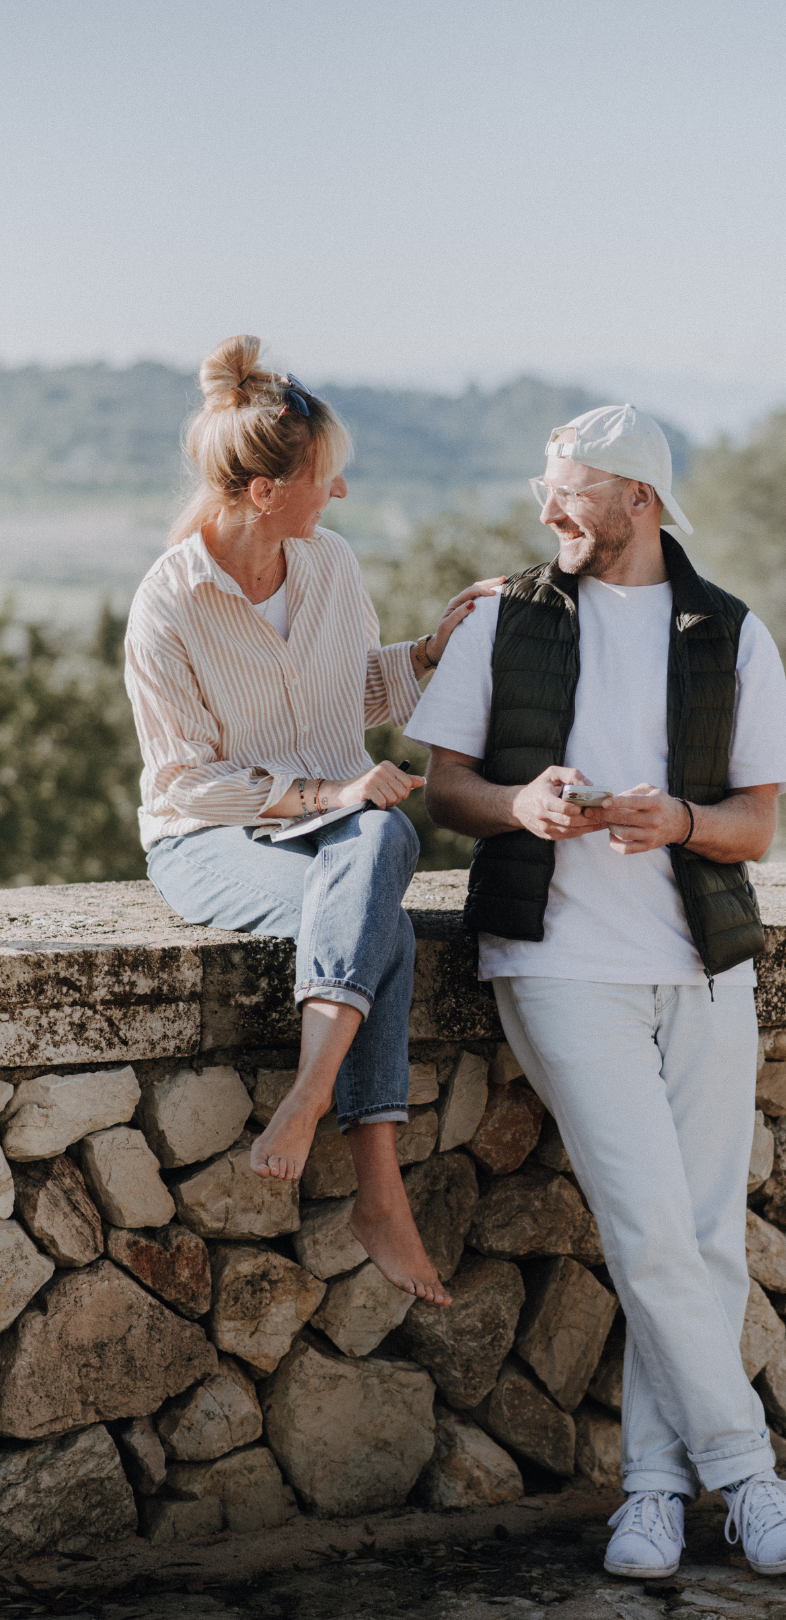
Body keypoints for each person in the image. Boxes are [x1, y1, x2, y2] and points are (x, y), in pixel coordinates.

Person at [405, 405, 786, 1576]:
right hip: (559, 962)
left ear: (637, 497)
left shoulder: (730, 633)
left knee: (697, 1244)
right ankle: (749, 1475)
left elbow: (755, 828)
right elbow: (448, 790)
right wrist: (521, 804)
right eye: (546, 492)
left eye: (568, 493)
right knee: (650, 1229)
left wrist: (681, 819)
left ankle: (649, 1491)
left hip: (700, 968)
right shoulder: (504, 620)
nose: (547, 513)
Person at [125, 334, 498, 1308]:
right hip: (213, 843)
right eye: (325, 479)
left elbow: (354, 693)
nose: (337, 497)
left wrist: (428, 652)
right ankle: (379, 1190)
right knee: (384, 906)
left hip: (337, 835)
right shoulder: (169, 605)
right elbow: (190, 785)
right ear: (262, 493)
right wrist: (325, 797)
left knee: (382, 841)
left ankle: (308, 1094)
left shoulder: (327, 564)